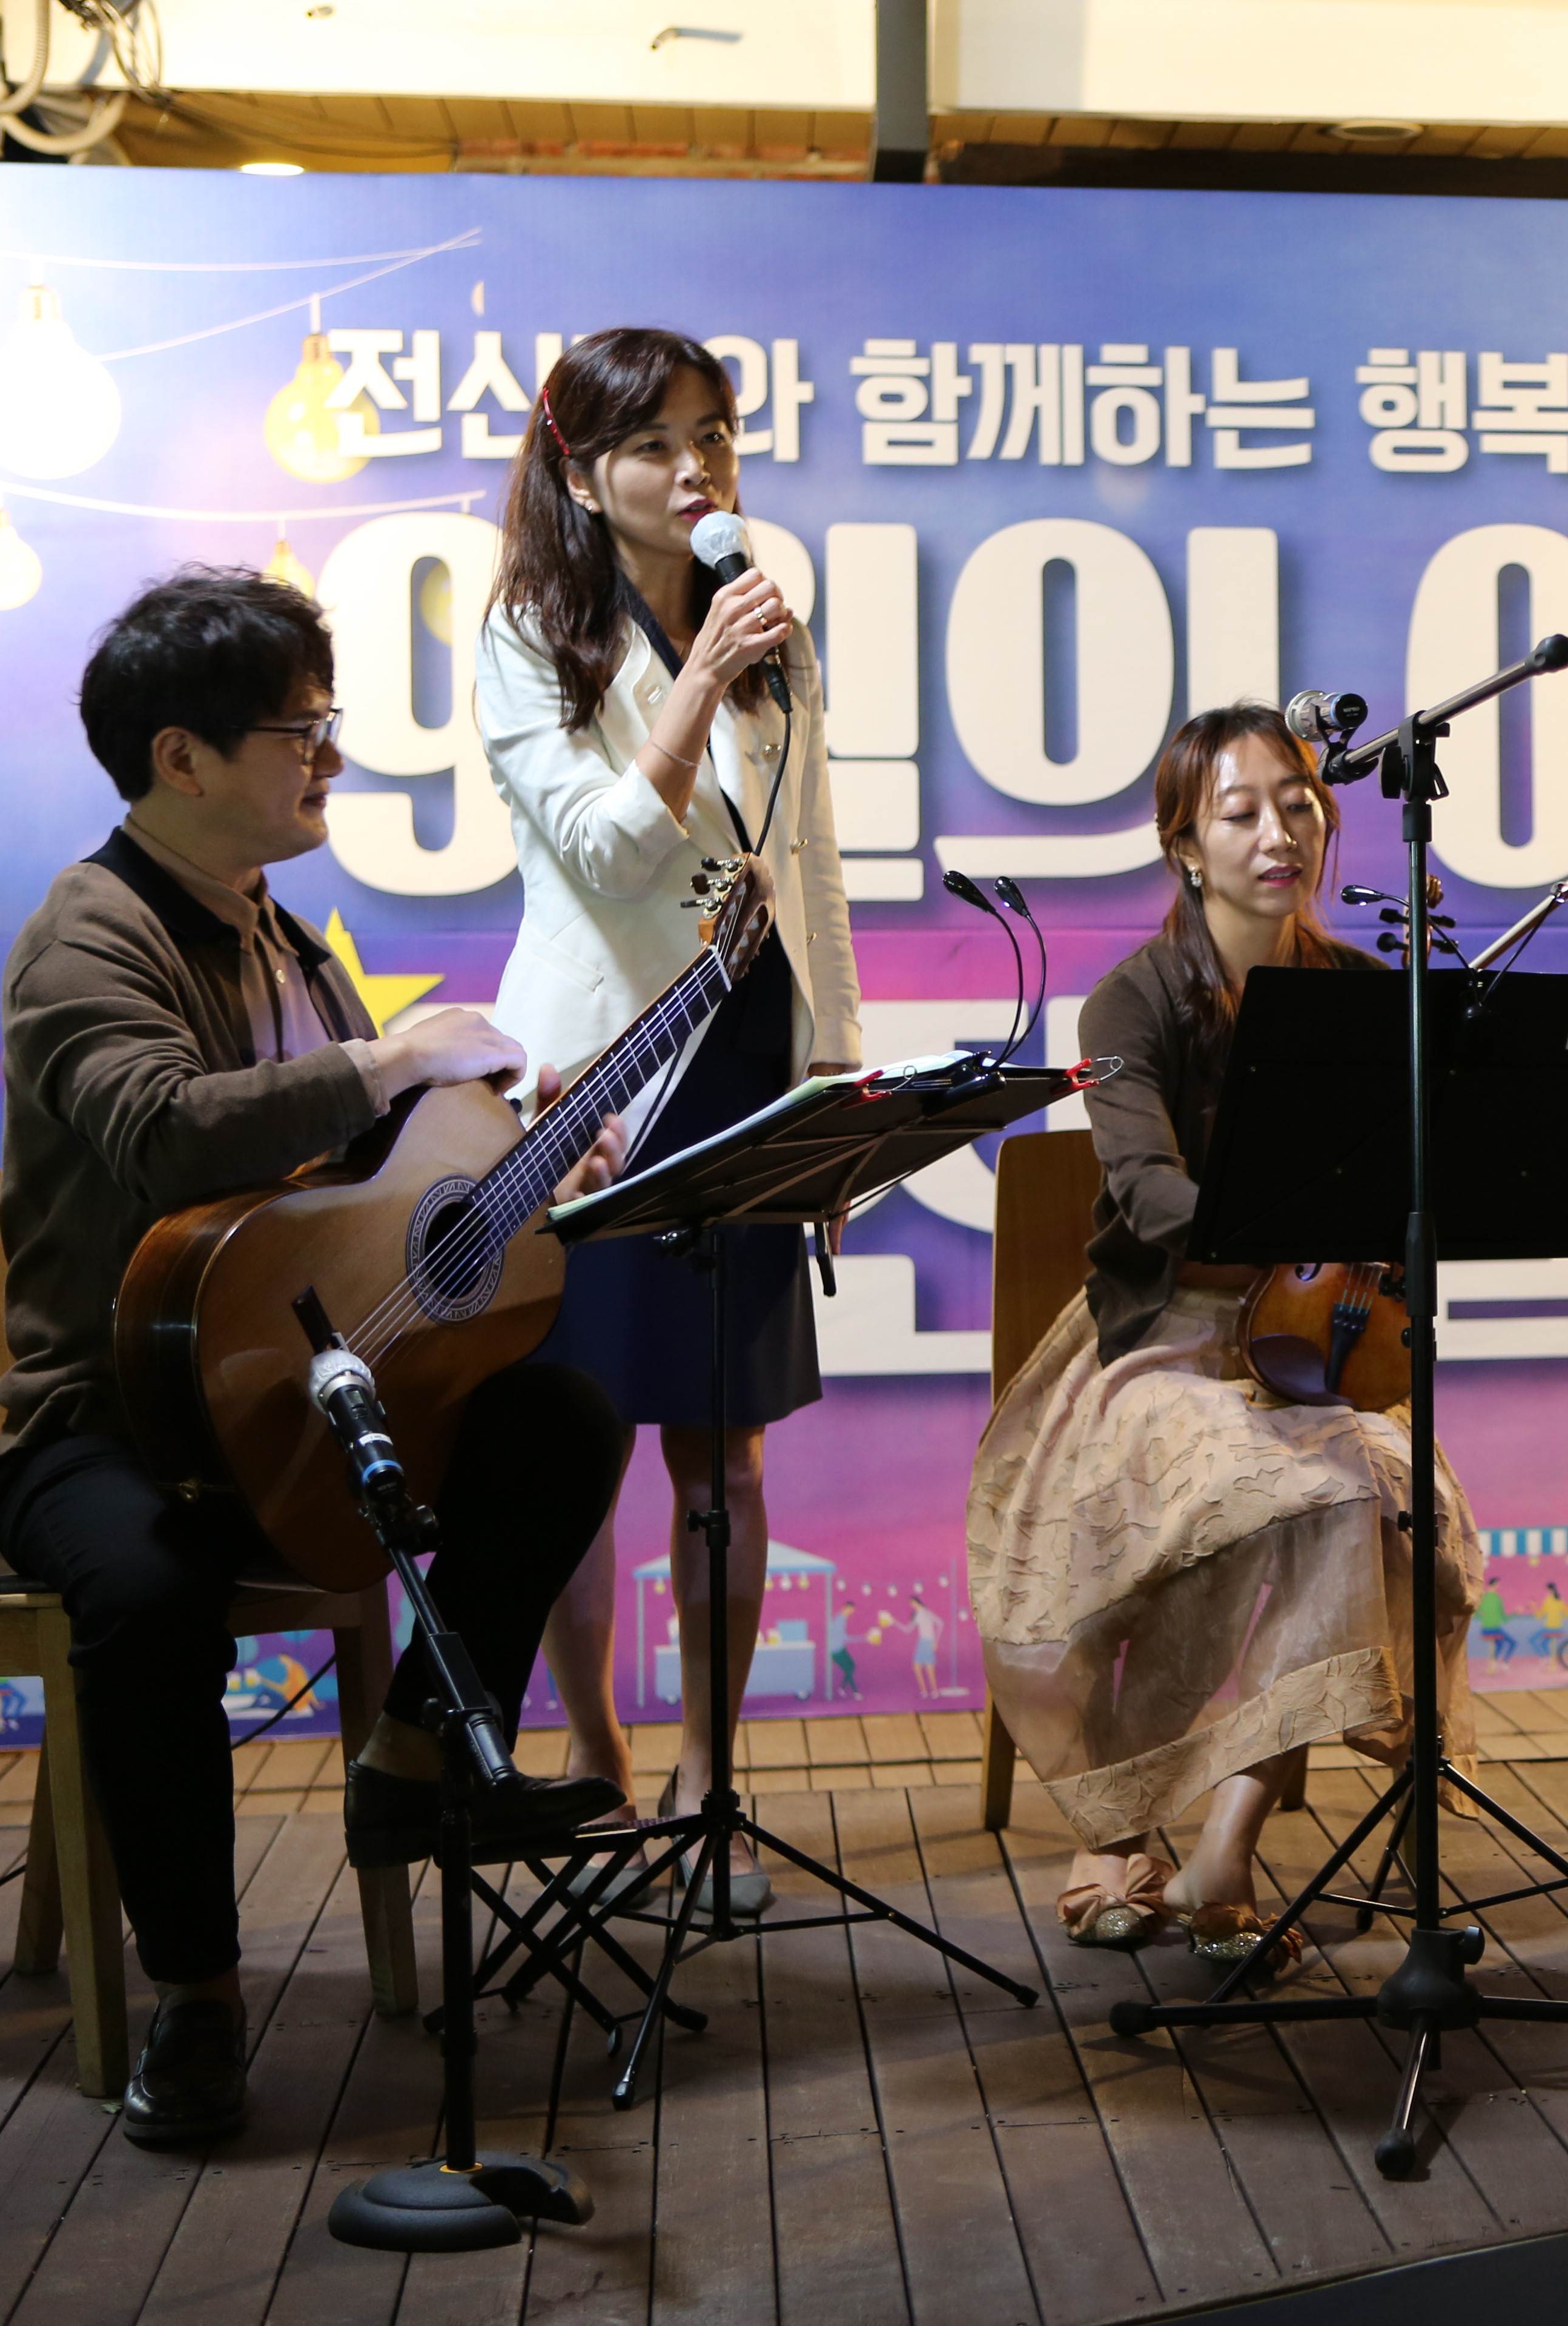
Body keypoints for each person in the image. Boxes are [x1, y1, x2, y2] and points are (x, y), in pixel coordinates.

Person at [0, 567, 631, 2147]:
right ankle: (196, 1998)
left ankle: (414, 1761)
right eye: (301, 730)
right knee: (146, 1593)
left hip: (295, 1399)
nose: (332, 757)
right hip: (112, 1419)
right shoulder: (84, 936)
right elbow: (159, 1133)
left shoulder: (288, 939)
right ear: (181, 758)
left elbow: (368, 1189)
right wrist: (390, 1053)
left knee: (558, 1418)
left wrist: (531, 1154)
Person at [967, 704, 1478, 1971]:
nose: (1277, 834)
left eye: (1298, 806)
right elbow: (1149, 1194)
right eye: (1240, 813)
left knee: (1376, 1496)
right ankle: (1128, 1823)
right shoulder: (1130, 1003)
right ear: (1185, 847)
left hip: (1320, 1343)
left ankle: (1224, 1844)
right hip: (1161, 1342)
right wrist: (1285, 1221)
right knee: (1272, 1491)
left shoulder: (1366, 994)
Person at [477, 328, 861, 1916]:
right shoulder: (529, 634)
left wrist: (835, 1090)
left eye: (716, 435)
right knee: (575, 1445)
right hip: (600, 1088)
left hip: (750, 1061)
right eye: (658, 445)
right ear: (583, 476)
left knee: (726, 1448)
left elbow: (813, 864)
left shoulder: (770, 625)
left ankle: (710, 1779)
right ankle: (598, 1766)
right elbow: (607, 854)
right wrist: (695, 687)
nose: (699, 469)